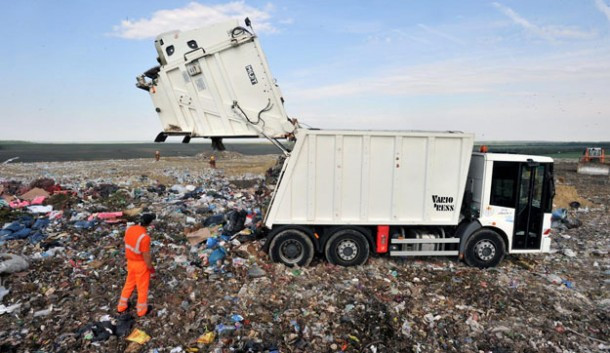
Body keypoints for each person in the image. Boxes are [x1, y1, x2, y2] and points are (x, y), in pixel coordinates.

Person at [117, 213, 156, 317]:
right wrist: (151, 268)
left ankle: (121, 306)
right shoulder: (144, 237)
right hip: (140, 265)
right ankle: (141, 311)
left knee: (129, 283)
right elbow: (146, 256)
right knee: (142, 287)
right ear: (149, 224)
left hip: (130, 261)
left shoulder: (130, 229)